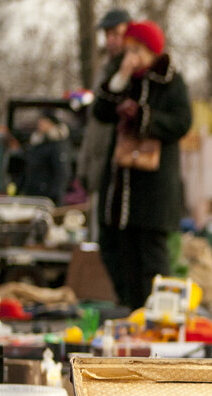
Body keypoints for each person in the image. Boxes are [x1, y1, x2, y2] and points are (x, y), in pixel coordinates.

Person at [93, 20, 192, 309]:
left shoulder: (171, 80)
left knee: (151, 255)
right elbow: (100, 111)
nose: (131, 56)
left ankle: (157, 314)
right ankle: (129, 308)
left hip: (153, 186)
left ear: (151, 51)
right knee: (117, 250)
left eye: (137, 50)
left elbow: (182, 122)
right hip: (120, 184)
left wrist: (144, 117)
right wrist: (122, 77)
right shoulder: (123, 76)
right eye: (128, 50)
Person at [77, 7, 132, 242]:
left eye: (116, 34)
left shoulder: (133, 71)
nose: (111, 41)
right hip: (99, 167)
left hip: (118, 169)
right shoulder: (105, 70)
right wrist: (85, 165)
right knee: (98, 240)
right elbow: (95, 125)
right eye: (108, 35)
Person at [19, 111, 70, 203]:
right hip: (32, 192)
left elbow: (62, 172)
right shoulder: (37, 143)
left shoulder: (58, 144)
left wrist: (55, 195)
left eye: (43, 122)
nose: (40, 125)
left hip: (47, 195)